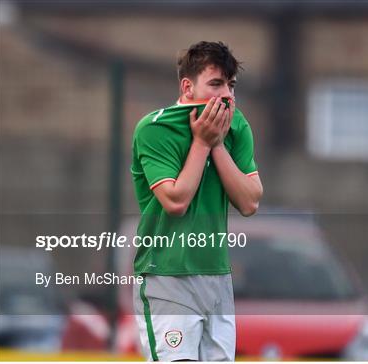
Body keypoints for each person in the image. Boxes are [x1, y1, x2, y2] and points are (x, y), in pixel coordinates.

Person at [130, 41, 263, 361]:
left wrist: (216, 144)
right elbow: (176, 200)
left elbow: (250, 201)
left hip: (216, 277)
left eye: (230, 86)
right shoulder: (156, 128)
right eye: (215, 84)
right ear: (187, 87)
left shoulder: (236, 126)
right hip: (166, 274)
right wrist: (202, 142)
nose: (226, 95)